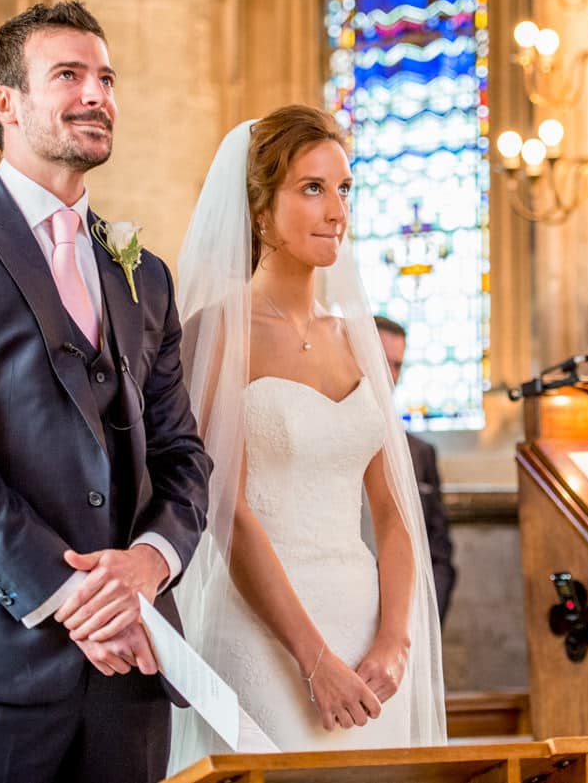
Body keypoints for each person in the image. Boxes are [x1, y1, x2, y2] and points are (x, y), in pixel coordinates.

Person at [0, 0, 212, 783]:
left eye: (107, 78)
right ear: (4, 101)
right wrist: (71, 593)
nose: (98, 95)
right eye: (69, 75)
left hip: (131, 663)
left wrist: (149, 566)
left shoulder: (143, 272)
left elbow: (180, 453)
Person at [169, 108, 446, 767]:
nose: (336, 210)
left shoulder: (357, 340)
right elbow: (225, 512)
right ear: (260, 210)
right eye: (311, 188)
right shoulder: (219, 331)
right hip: (267, 637)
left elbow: (394, 514)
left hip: (368, 641)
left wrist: (394, 641)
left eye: (344, 188)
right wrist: (313, 657)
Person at [373, 315, 456, 623]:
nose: (390, 375)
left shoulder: (421, 454)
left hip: (411, 619)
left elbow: (439, 554)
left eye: (397, 365)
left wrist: (424, 623)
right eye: (382, 360)